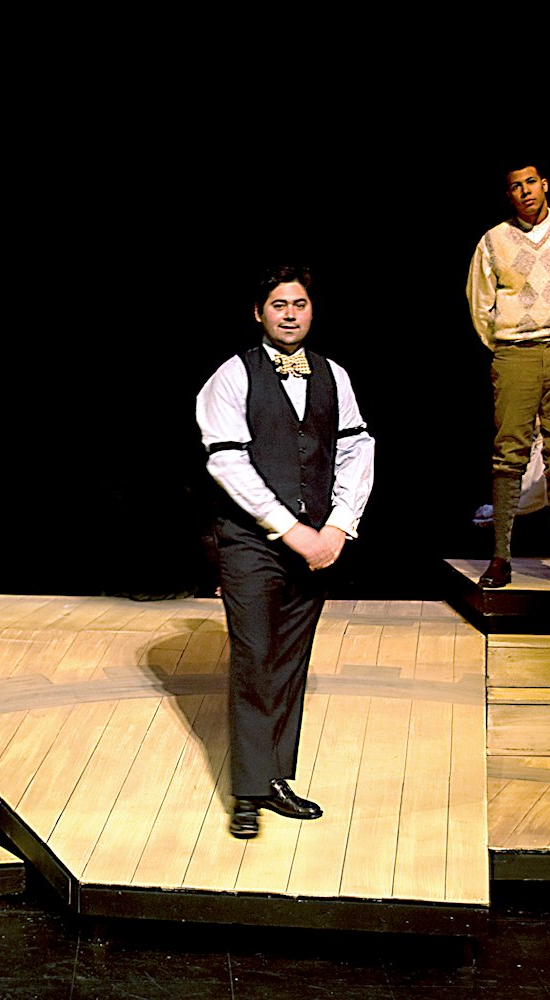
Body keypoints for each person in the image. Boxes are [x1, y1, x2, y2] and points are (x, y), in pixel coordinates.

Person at [196, 264, 375, 839]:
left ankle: (273, 778)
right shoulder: (233, 375)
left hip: (316, 541)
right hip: (251, 541)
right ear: (259, 313)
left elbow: (356, 448)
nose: (290, 314)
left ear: (312, 310)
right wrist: (290, 529)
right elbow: (226, 460)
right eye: (279, 305)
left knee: (290, 660)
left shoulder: (333, 375)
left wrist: (339, 526)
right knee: (255, 656)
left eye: (299, 304)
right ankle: (247, 792)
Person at [466, 163, 550, 590]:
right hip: (515, 353)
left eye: (530, 182)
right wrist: (506, 344)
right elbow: (480, 302)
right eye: (516, 186)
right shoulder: (493, 240)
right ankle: (500, 558)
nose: (525, 191)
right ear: (508, 194)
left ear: (544, 185)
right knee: (509, 452)